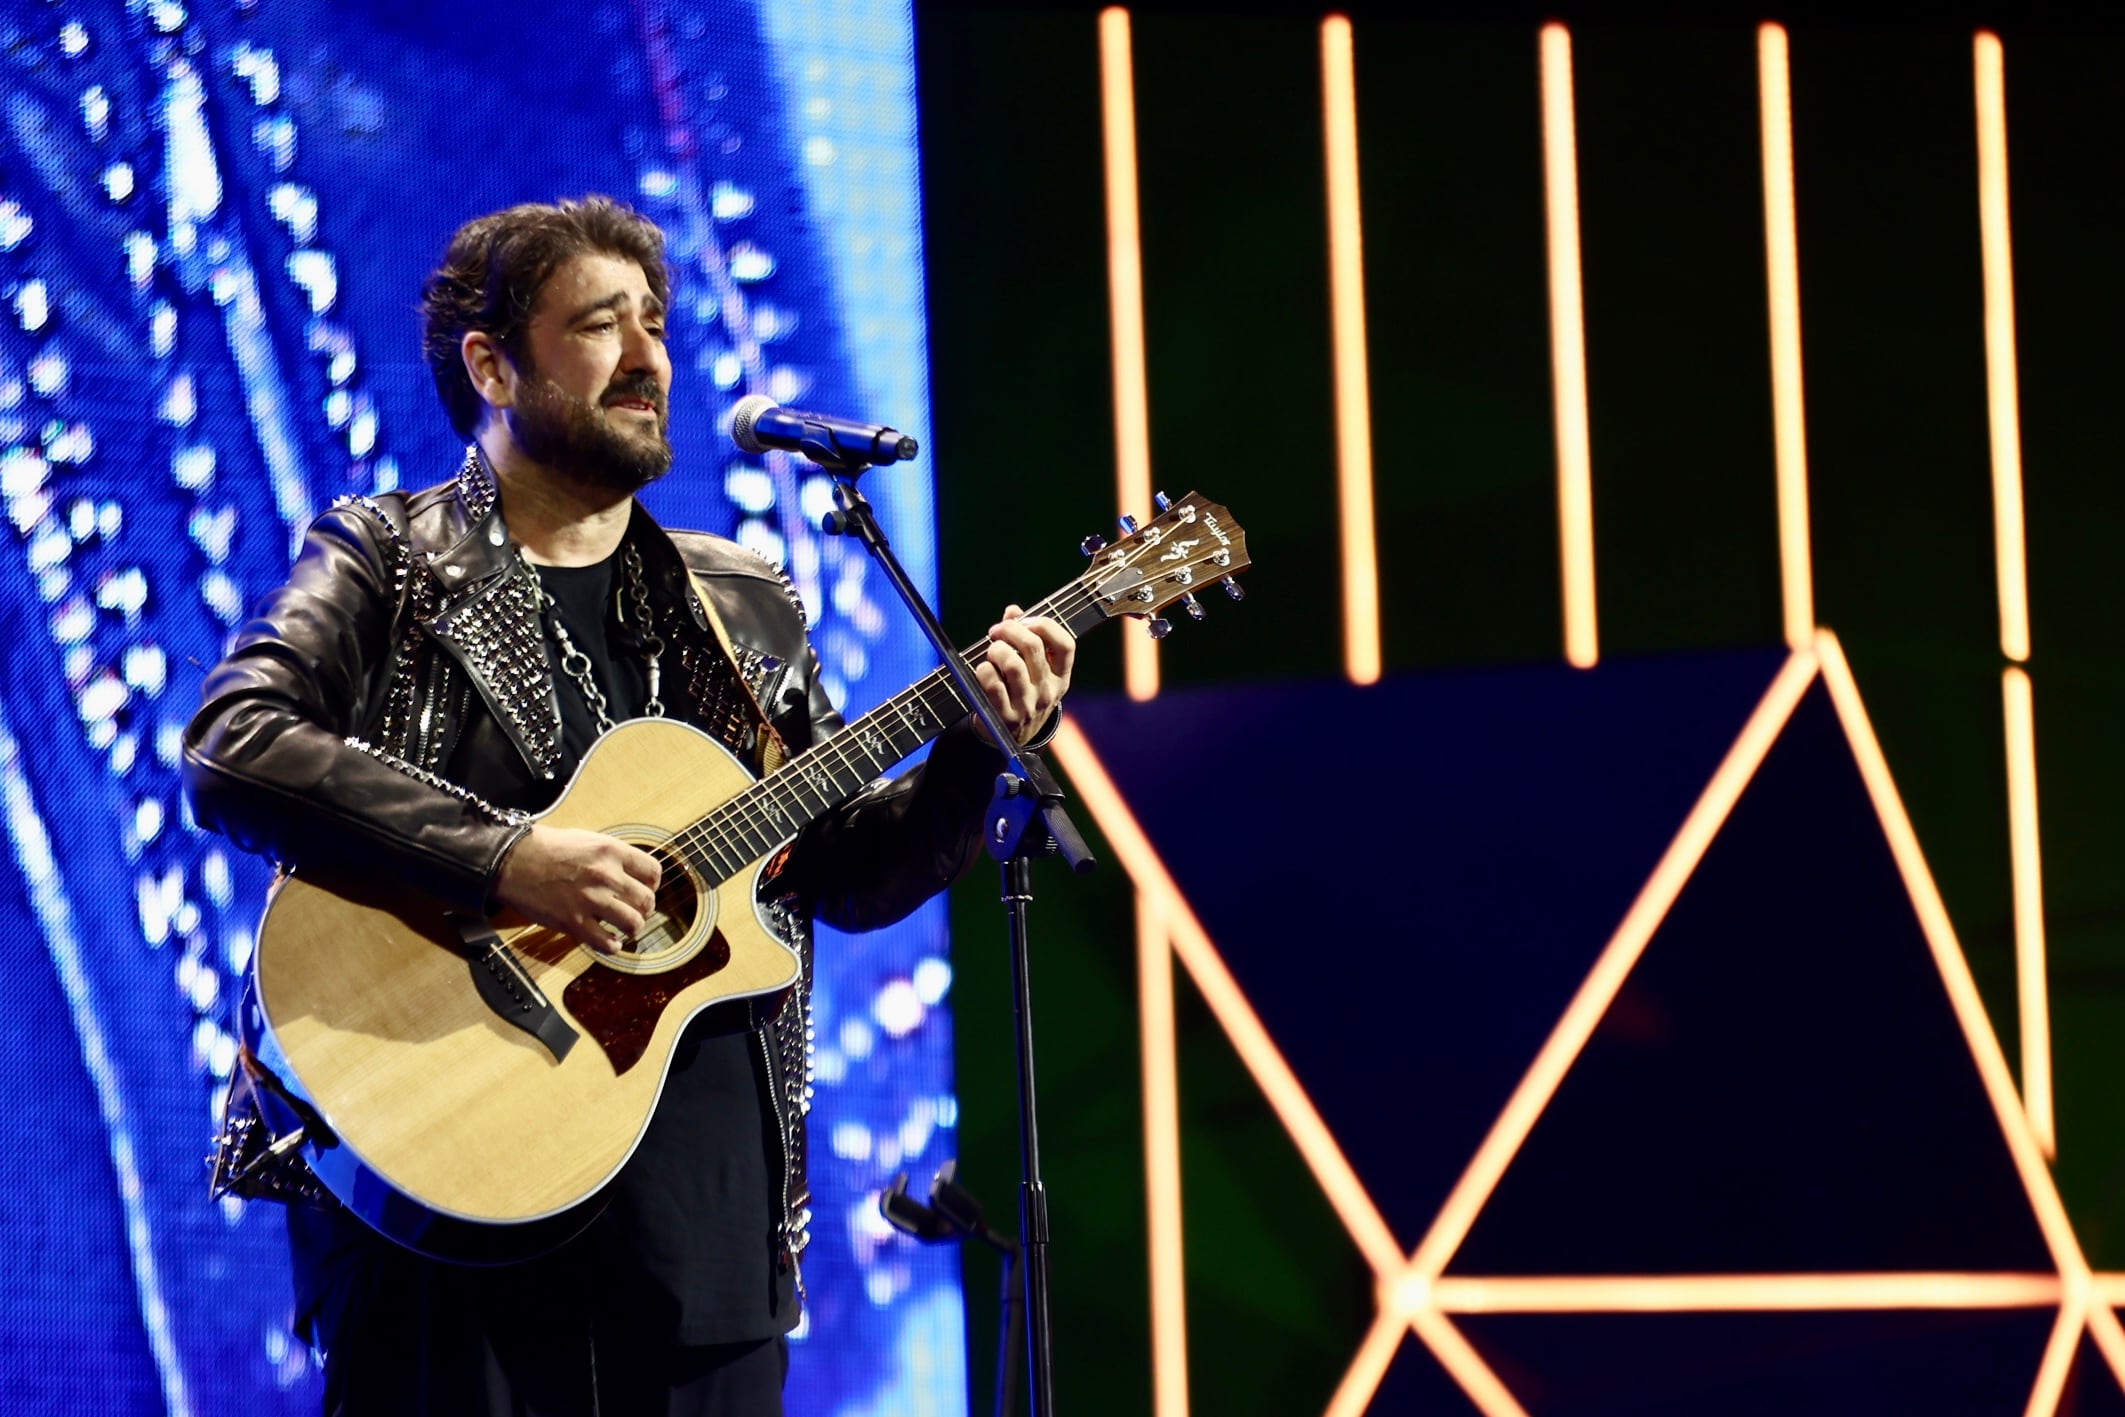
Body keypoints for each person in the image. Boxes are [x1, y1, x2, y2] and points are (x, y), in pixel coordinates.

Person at [183, 195, 1073, 1415]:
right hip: (446, 1218)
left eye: (654, 321)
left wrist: (977, 753)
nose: (650, 355)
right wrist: (506, 859)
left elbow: (848, 877)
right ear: (492, 363)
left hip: (703, 1248)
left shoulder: (742, 600)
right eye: (600, 325)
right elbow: (235, 744)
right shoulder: (386, 557)